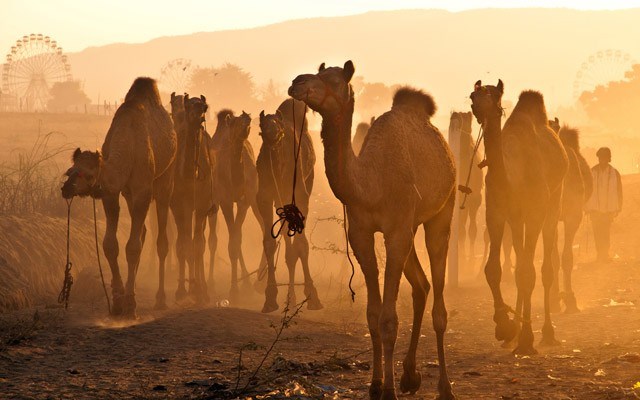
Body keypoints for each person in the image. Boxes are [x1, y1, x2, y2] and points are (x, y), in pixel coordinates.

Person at [585, 147, 623, 263]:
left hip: (608, 210)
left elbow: (619, 191)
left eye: (605, 158)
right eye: (601, 158)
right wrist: (586, 207)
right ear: (598, 158)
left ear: (608, 159)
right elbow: (587, 190)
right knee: (597, 232)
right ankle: (599, 255)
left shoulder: (614, 173)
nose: (603, 160)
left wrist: (618, 207)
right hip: (595, 209)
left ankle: (605, 254)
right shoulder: (592, 172)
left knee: (605, 232)